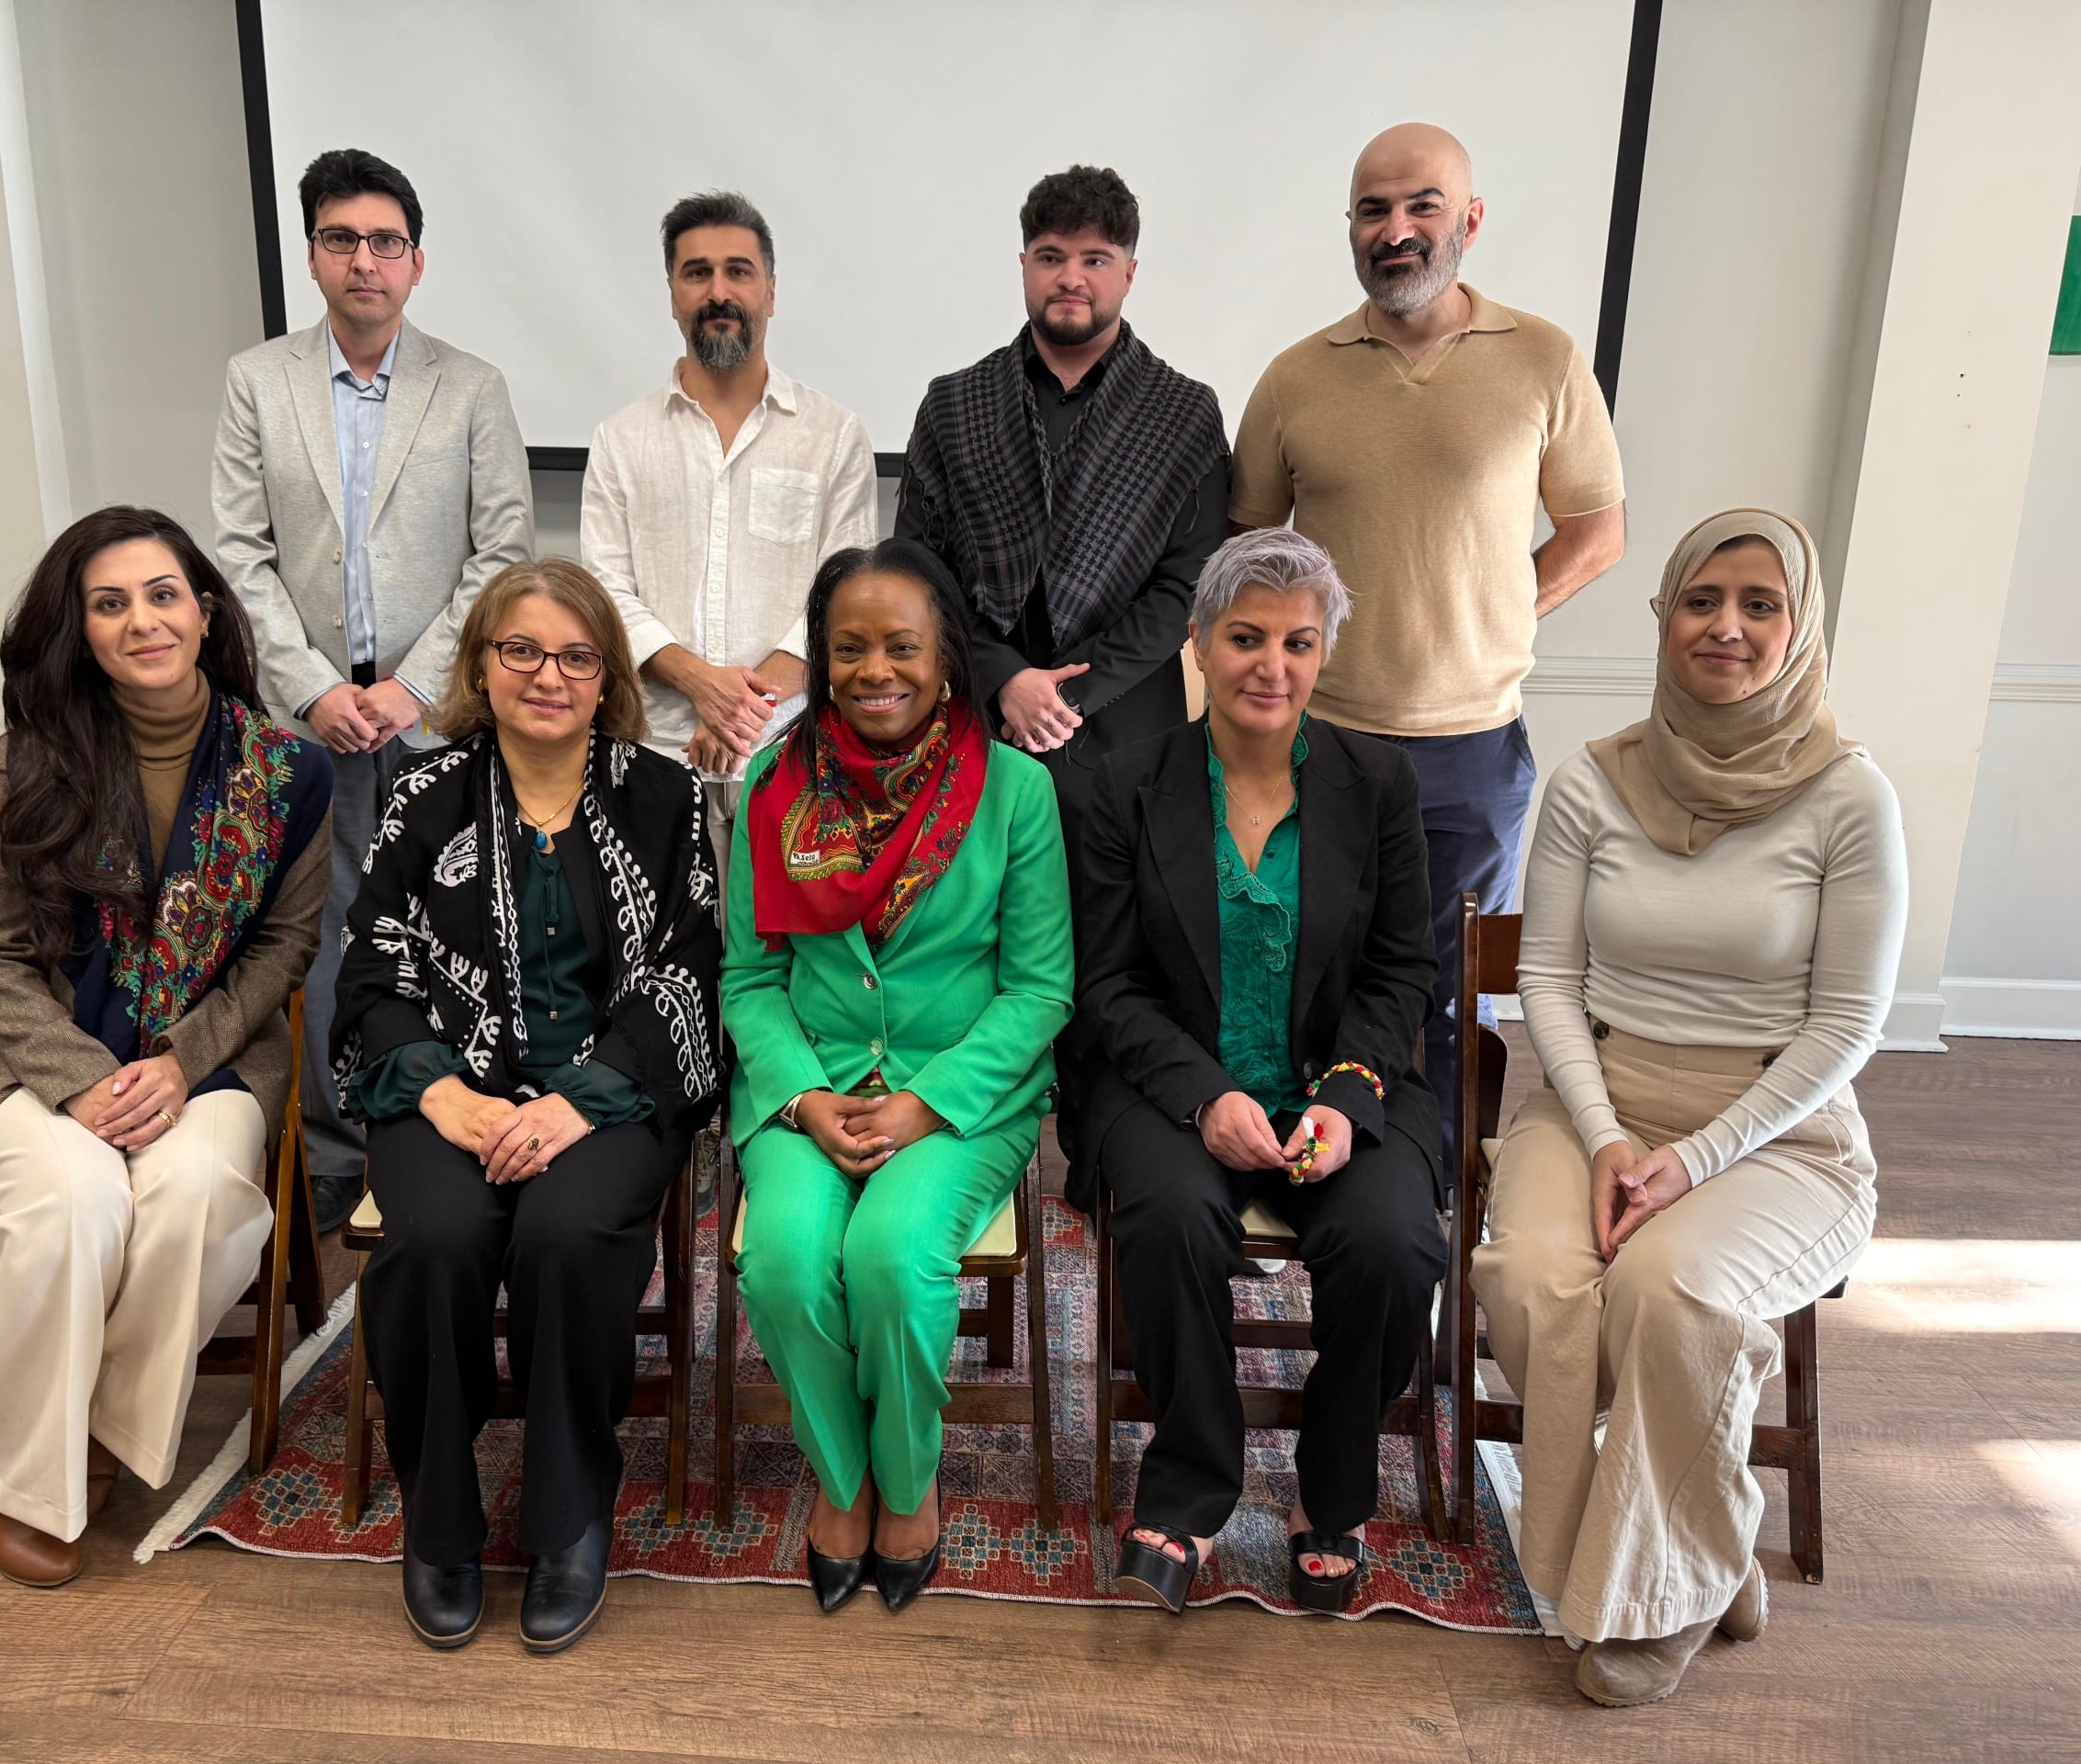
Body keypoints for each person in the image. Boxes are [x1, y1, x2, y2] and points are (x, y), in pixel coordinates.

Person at [1472, 509, 1906, 1707]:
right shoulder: (1591, 782)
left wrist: (1694, 1157)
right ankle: (1695, 1546)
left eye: (1760, 605)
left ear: (1800, 625)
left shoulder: (1849, 799)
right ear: (1663, 618)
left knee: (1671, 1294)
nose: (1727, 626)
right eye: (1702, 601)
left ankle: (1667, 1591)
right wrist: (1609, 1135)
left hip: (1777, 1131)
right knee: (1530, 1280)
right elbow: (1549, 980)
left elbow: (1845, 1027)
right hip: (1595, 1097)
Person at [0, 505, 334, 1589]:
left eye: (163, 595)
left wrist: (181, 1061)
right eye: (109, 604)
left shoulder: (289, 774)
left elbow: (285, 948)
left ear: (204, 612)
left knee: (200, 1189)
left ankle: (107, 1426)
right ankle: (19, 1473)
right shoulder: (29, 764)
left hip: (210, 1058)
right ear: (81, 629)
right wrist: (77, 1083)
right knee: (75, 1198)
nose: (142, 622)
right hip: (37, 1059)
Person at [333, 560, 721, 1654]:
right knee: (437, 1236)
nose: (547, 675)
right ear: (480, 665)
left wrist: (582, 1101)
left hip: (613, 1097)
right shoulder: (423, 793)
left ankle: (567, 1520)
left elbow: (689, 972)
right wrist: (441, 1091)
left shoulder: (671, 798)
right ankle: (439, 1522)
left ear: (607, 678)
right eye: (521, 651)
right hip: (443, 1089)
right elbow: (370, 970)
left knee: (563, 1234)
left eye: (575, 656)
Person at [1227, 122, 1625, 1170]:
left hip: (1471, 751)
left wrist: (1498, 609)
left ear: (1469, 220)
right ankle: (1303, 1174)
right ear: (1349, 227)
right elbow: (1250, 555)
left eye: (1420, 207)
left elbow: (1597, 532)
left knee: (1445, 993)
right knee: (1301, 974)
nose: (1395, 231)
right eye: (1372, 210)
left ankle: (1431, 1202)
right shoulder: (1293, 378)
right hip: (1318, 742)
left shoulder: (1541, 358)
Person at [1075, 527, 1445, 1616]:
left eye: (1296, 641)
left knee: (1392, 1238)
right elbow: (1107, 985)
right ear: (1196, 644)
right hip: (1166, 1087)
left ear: (1324, 652)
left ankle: (1329, 1490)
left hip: (1339, 1084)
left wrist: (1339, 1096)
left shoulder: (1378, 782)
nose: (1269, 666)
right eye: (1243, 637)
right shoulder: (1119, 783)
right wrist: (1204, 1094)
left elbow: (1400, 969)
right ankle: (1191, 1483)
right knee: (1171, 1216)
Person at [723, 538, 1072, 1615]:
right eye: (849, 648)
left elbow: (1040, 990)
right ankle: (845, 1478)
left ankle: (908, 1481)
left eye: (901, 647)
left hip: (959, 1099)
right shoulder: (772, 788)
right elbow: (747, 977)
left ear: (947, 658)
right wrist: (802, 1096)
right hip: (809, 1087)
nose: (876, 669)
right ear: (821, 663)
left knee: (885, 1257)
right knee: (781, 1263)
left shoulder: (1015, 791)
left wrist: (925, 1103)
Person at [213, 146, 537, 1234]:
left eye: (385, 243)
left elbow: (502, 557)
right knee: (322, 930)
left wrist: (408, 689)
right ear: (312, 255)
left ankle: (433, 1128)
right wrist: (310, 691)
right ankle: (335, 1155)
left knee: (446, 927)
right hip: (307, 722)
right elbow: (239, 560)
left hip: (432, 713)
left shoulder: (472, 386)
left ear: (417, 261)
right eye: (342, 239)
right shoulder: (258, 381)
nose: (365, 261)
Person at [895, 164, 1227, 865]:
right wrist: (1005, 679)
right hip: (979, 719)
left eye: (1094, 260)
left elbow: (1189, 585)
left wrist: (1070, 698)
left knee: (1121, 945)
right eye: (1051, 257)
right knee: (980, 934)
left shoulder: (1183, 412)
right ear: (1023, 266)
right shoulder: (955, 404)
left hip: (1130, 729)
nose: (1070, 277)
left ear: (1129, 272)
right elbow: (918, 571)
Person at [582, 189, 877, 871]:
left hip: (789, 754)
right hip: (655, 752)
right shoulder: (621, 439)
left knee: (781, 962)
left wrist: (739, 711)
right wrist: (699, 685)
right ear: (673, 293)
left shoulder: (833, 436)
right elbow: (604, 592)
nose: (719, 291)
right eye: (698, 273)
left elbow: (846, 598)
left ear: (771, 292)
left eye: (739, 271)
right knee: (662, 961)